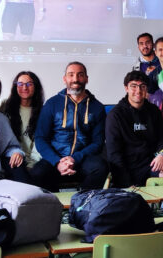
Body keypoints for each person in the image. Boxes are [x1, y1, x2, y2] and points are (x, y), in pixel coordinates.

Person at [33, 62, 109, 191]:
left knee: (100, 168)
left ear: (86, 79)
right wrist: (58, 162)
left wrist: (74, 158)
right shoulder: (52, 104)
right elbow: (40, 138)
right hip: (55, 159)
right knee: (37, 173)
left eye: (80, 75)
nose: (75, 79)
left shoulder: (97, 107)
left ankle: (81, 205)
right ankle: (55, 206)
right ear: (65, 79)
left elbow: (98, 142)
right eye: (71, 75)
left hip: (82, 159)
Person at [105, 71, 163, 187]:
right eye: (133, 86)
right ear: (126, 88)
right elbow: (114, 154)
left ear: (146, 89)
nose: (138, 91)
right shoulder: (115, 115)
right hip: (128, 170)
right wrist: (126, 183)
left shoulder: (154, 111)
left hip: (153, 165)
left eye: (142, 86)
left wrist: (162, 155)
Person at [0, 71, 45, 170]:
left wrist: (31, 165)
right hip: (10, 157)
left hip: (34, 160)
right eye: (20, 84)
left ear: (36, 86)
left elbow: (40, 143)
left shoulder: (43, 111)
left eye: (29, 84)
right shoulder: (4, 105)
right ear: (15, 86)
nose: (24, 87)